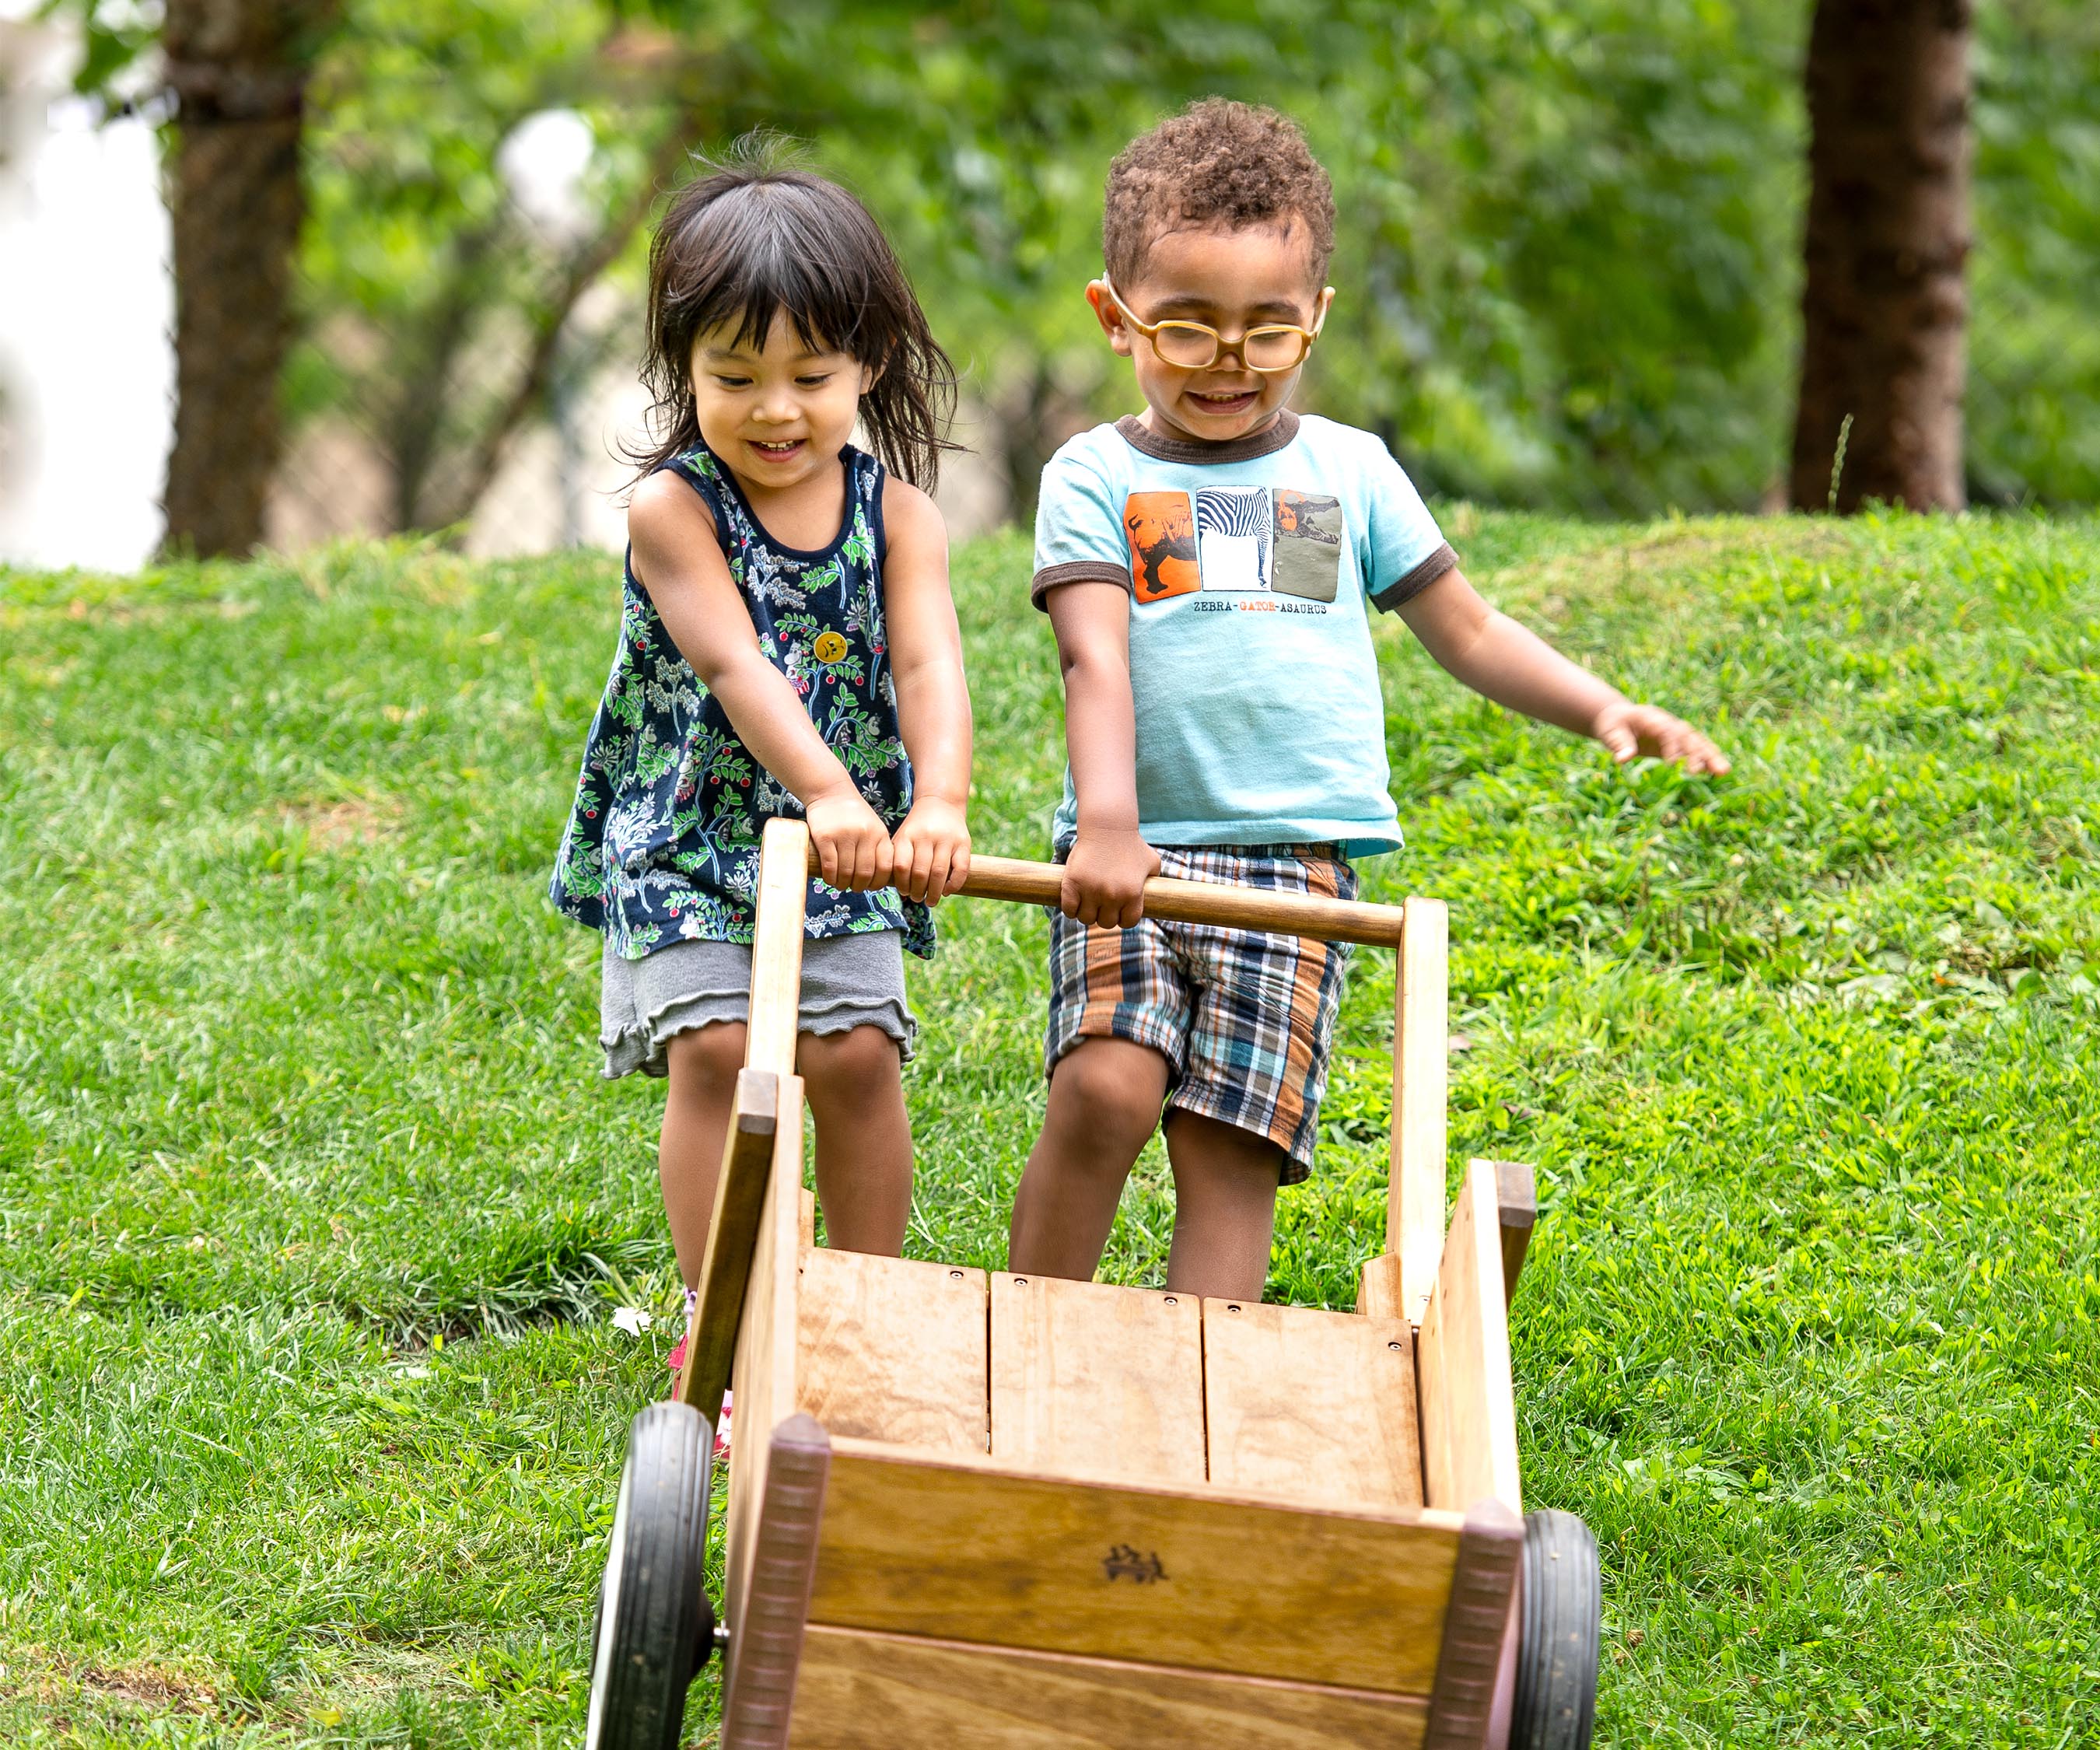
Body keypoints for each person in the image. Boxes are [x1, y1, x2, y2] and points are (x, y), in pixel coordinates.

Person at [1009, 100, 1727, 1304]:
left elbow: (1471, 629)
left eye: (1268, 330)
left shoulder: (1349, 469)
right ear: (1114, 315)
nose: (1229, 360)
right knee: (1104, 1087)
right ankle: (1017, 1348)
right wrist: (1111, 824)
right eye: (1187, 327)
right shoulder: (1095, 474)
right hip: (1135, 848)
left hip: (1299, 866)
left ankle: (1197, 1401)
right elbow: (1095, 657)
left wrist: (1601, 706)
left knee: (1231, 1149)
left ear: (1317, 317)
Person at [550, 145, 973, 1398]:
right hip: (690, 834)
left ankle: (863, 1321)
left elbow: (929, 665)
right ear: (684, 369)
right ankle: (726, 1326)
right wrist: (828, 789)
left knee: (855, 1058)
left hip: (849, 849)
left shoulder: (901, 518)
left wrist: (937, 799)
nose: (774, 409)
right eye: (735, 377)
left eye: (809, 376)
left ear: (869, 365)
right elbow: (736, 666)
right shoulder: (671, 512)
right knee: (722, 1051)